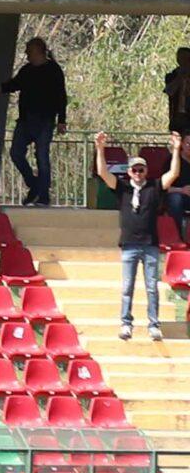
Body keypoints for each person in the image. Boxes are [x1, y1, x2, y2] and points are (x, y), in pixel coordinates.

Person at [90, 131, 181, 342]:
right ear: (129, 172)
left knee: (151, 287)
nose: (138, 173)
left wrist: (176, 149)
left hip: (150, 244)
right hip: (130, 245)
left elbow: (173, 173)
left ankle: (154, 324)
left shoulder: (154, 188)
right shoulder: (122, 189)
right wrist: (100, 149)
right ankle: (126, 323)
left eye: (141, 169)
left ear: (146, 171)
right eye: (134, 169)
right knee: (127, 286)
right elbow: (104, 173)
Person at [0, 37, 67, 206]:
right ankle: (34, 184)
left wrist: (62, 120)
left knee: (42, 156)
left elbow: (61, 96)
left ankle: (43, 196)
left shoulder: (53, 70)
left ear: (38, 51)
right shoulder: (26, 70)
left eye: (29, 51)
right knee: (16, 153)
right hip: (25, 120)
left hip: (45, 120)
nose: (26, 54)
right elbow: (12, 85)